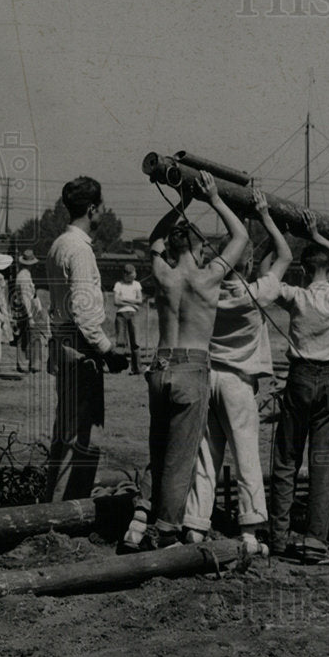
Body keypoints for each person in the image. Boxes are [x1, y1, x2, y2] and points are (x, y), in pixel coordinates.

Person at [132, 171, 249, 549]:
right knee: (182, 457)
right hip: (192, 366)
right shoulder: (209, 277)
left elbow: (154, 239)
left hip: (160, 365)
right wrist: (214, 198)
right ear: (198, 248)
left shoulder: (163, 274)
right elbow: (242, 238)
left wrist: (183, 201)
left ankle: (138, 520)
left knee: (159, 447)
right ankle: (165, 531)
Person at [182, 184, 293, 550]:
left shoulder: (205, 289)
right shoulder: (256, 294)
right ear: (246, 265)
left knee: (205, 456)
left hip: (207, 376)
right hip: (238, 383)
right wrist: (265, 217)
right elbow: (285, 257)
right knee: (246, 454)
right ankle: (249, 530)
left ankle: (195, 525)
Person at [270, 212, 329, 564]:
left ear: (305, 270)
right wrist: (318, 235)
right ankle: (315, 540)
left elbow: (268, 282)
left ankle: (277, 536)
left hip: (301, 377)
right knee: (322, 462)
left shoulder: (296, 297)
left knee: (286, 459)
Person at [44, 177, 130, 502]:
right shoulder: (78, 250)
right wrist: (108, 351)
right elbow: (83, 310)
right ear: (92, 209)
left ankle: (61, 507)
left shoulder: (59, 244)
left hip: (68, 345)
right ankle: (58, 515)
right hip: (79, 347)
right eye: (101, 207)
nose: (102, 213)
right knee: (72, 437)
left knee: (69, 433)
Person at [12, 249, 42, 372]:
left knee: (26, 336)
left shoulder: (24, 274)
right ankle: (30, 364)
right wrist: (30, 316)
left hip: (25, 309)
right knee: (31, 336)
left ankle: (27, 364)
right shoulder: (24, 276)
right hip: (26, 310)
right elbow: (25, 297)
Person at [113, 263, 145, 375]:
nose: (134, 276)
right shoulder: (118, 285)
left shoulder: (137, 284)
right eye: (131, 274)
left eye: (134, 274)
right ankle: (118, 367)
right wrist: (132, 301)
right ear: (125, 275)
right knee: (120, 342)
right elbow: (116, 302)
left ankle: (137, 368)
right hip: (121, 315)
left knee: (135, 342)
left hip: (133, 314)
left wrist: (124, 299)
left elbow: (140, 300)